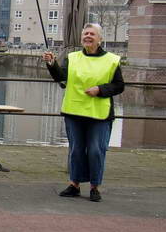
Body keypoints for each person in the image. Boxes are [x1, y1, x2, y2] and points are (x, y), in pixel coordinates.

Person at [43, 23, 124, 202]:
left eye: (92, 34)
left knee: (96, 150)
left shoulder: (111, 60)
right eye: (85, 34)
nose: (88, 36)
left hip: (99, 113)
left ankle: (95, 186)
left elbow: (119, 85)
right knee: (76, 150)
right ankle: (75, 184)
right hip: (74, 111)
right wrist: (51, 63)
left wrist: (100, 89)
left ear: (100, 38)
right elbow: (61, 77)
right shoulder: (73, 57)